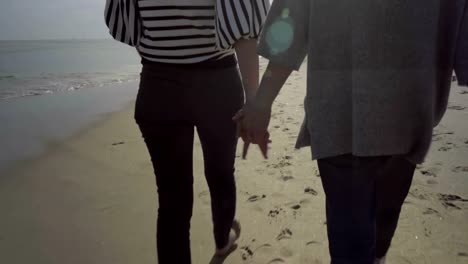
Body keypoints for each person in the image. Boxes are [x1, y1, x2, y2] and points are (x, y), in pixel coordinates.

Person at [235, 0, 468, 263]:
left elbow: (292, 20)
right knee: (376, 231)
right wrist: (261, 103)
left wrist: (262, 102)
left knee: (362, 240)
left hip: (348, 116)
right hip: (404, 116)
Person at [104, 0, 269, 263]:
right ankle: (222, 239)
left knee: (172, 200)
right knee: (220, 173)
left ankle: (221, 237)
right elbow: (244, 28)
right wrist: (253, 100)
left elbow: (131, 25)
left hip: (159, 85)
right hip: (216, 84)